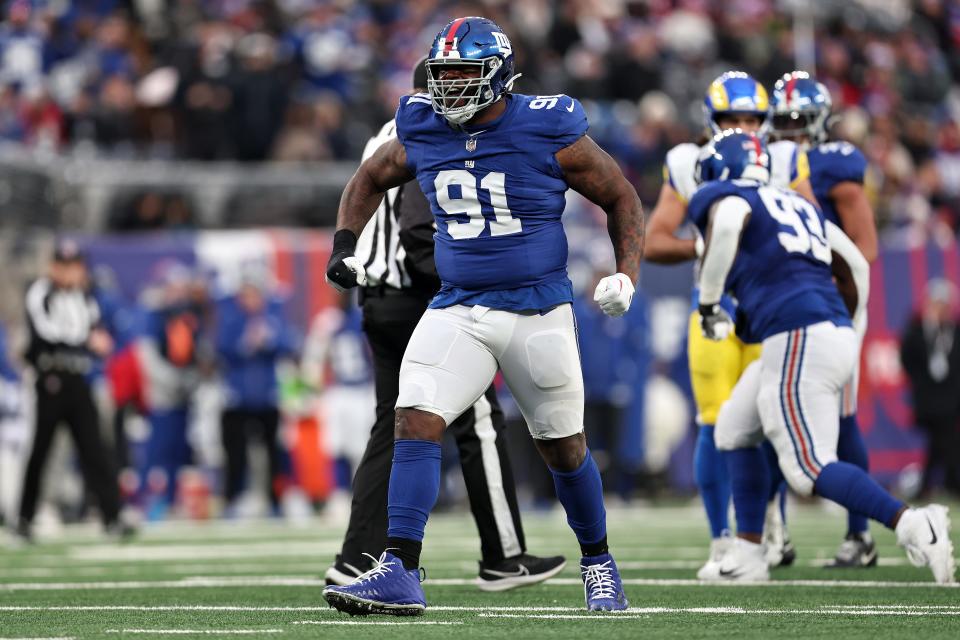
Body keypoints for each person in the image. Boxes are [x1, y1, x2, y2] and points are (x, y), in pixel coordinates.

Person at [323, 17, 643, 614]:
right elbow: (368, 177)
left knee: (563, 447)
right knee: (413, 415)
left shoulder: (547, 124)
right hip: (458, 306)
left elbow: (620, 193)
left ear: (497, 75)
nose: (448, 88)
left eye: (463, 74)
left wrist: (627, 271)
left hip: (536, 310)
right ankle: (400, 568)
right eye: (442, 74)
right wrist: (345, 243)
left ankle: (599, 562)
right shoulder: (422, 125)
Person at [319, 57, 566, 592]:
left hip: (377, 297)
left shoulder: (383, 135)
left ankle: (356, 554)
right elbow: (418, 227)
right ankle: (503, 553)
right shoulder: (433, 133)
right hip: (419, 296)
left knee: (394, 423)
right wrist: (463, 293)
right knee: (476, 422)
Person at [690, 129, 955, 584]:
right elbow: (853, 264)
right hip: (825, 330)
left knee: (809, 467)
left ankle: (914, 522)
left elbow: (731, 219)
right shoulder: (800, 204)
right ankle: (749, 554)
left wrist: (710, 302)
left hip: (797, 335)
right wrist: (848, 326)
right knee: (733, 428)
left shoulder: (733, 197)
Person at [643, 71, 811, 577]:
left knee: (773, 421)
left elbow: (814, 226)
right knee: (715, 423)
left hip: (771, 302)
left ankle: (771, 524)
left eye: (752, 119)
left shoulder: (784, 159)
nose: (743, 127)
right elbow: (654, 240)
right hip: (714, 303)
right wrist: (713, 248)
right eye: (732, 119)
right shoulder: (688, 162)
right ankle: (721, 539)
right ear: (711, 122)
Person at [771, 70, 880, 567]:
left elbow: (866, 247)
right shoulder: (766, 158)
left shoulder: (834, 163)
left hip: (827, 302)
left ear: (819, 122)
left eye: (800, 120)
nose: (791, 130)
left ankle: (860, 534)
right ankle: (775, 536)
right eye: (784, 120)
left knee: (841, 416)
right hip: (779, 301)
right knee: (768, 416)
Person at [15, 240, 130, 542]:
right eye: (64, 266)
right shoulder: (40, 292)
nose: (70, 272)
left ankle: (112, 516)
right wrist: (87, 341)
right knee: (41, 451)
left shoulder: (86, 296)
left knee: (94, 450)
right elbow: (49, 331)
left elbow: (98, 332)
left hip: (79, 380)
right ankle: (24, 517)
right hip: (50, 379)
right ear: (54, 267)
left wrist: (94, 342)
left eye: (75, 266)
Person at [215, 270, 297, 516]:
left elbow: (288, 345)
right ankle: (232, 499)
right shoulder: (230, 318)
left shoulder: (272, 317)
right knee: (235, 454)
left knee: (273, 453)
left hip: (266, 397)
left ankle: (275, 500)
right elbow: (221, 349)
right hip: (237, 398)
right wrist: (247, 342)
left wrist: (269, 341)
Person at [900, 279, 960, 498]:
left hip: (952, 398)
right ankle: (949, 483)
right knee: (942, 440)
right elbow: (907, 359)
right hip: (928, 398)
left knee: (943, 440)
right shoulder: (917, 330)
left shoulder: (955, 331)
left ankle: (934, 483)